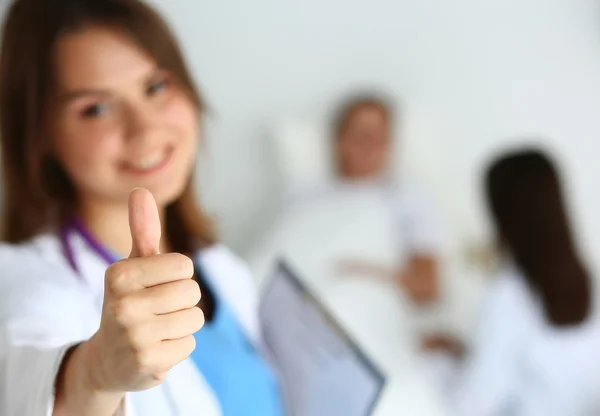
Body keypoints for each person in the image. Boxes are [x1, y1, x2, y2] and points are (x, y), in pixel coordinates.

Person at [0, 0, 284, 415]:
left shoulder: (220, 267)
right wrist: (94, 375)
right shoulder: (29, 283)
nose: (145, 128)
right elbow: (27, 382)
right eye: (96, 108)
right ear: (41, 136)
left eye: (156, 86)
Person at [423, 148, 600, 416]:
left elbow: (472, 407)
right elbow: (541, 370)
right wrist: (465, 354)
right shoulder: (586, 278)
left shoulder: (509, 296)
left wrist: (435, 365)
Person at [294, 94, 443, 304]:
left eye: (378, 135)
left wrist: (354, 273)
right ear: (338, 139)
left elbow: (427, 288)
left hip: (368, 303)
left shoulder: (408, 198)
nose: (368, 144)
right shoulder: (305, 194)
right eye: (359, 134)